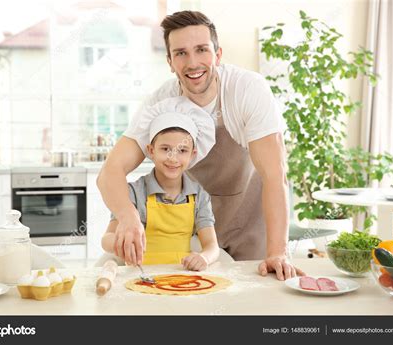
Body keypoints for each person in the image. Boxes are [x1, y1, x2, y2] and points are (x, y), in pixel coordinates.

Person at [97, 10, 304, 280]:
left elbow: (275, 176)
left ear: (217, 55)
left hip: (252, 223)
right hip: (196, 226)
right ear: (170, 62)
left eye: (201, 50)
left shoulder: (247, 90)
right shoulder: (160, 104)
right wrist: (127, 216)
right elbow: (109, 172)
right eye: (181, 53)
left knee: (255, 298)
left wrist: (279, 251)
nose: (192, 62)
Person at [101, 97, 220, 271]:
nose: (173, 158)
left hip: (182, 278)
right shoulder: (133, 193)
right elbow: (106, 239)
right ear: (151, 151)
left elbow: (212, 246)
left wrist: (203, 258)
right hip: (139, 277)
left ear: (192, 154)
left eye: (182, 150)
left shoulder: (199, 196)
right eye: (165, 149)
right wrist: (122, 242)